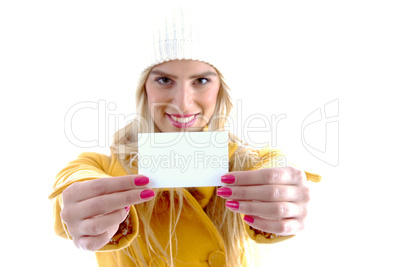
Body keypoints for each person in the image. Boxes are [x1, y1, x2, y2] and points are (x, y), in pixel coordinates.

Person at [49, 4, 321, 267]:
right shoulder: (102, 168)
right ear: (144, 88)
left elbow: (274, 167)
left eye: (201, 81)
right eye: (164, 80)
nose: (182, 103)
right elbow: (73, 183)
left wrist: (282, 197)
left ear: (221, 88)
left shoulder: (246, 164)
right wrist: (81, 208)